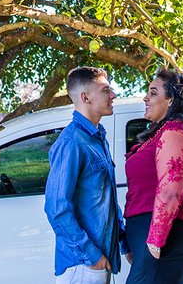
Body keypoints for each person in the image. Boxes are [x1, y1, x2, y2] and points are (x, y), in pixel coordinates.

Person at [45, 66, 130, 283]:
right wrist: (91, 255)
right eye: (105, 90)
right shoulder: (71, 142)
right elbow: (56, 208)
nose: (113, 95)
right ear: (85, 97)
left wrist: (123, 243)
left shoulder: (97, 137)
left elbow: (106, 200)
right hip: (83, 265)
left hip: (100, 260)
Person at [122, 69, 183, 284]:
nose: (145, 98)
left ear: (171, 100)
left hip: (168, 239)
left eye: (153, 93)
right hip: (157, 237)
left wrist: (154, 242)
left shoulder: (176, 132)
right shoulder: (165, 131)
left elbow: (171, 192)